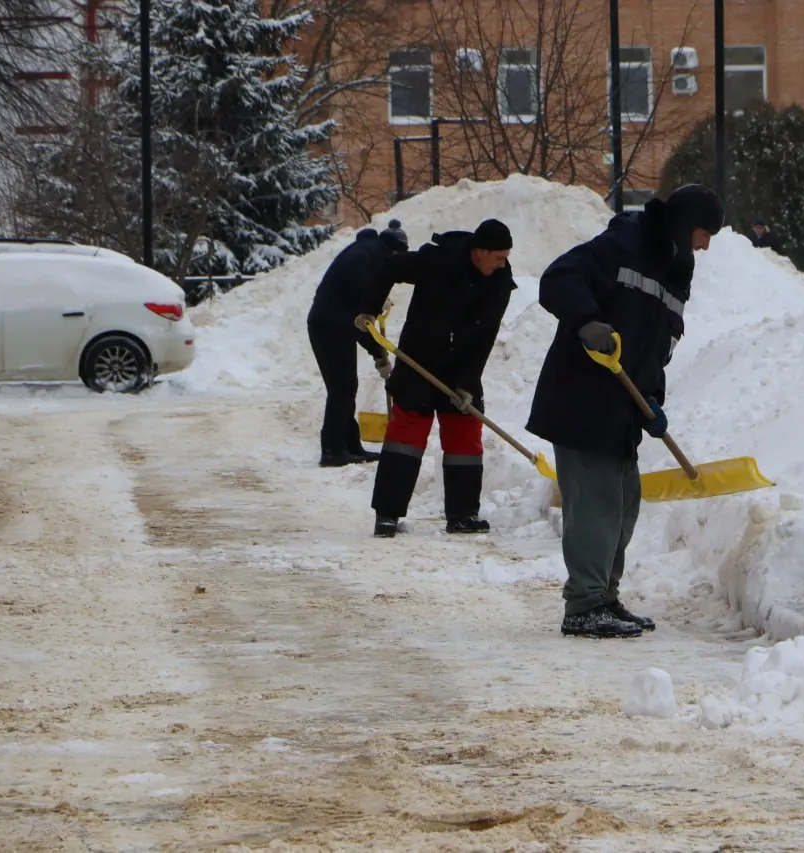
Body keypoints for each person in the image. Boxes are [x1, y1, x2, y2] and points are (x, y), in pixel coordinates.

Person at [526, 184, 724, 639]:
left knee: (623, 503)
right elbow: (558, 279)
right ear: (682, 222)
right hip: (582, 394)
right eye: (702, 232)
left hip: (623, 404)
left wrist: (653, 398)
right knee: (595, 503)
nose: (706, 244)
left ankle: (604, 596)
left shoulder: (677, 270)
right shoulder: (626, 242)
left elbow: (660, 342)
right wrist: (586, 320)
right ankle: (583, 605)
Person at [357, 219, 517, 538]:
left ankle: (463, 515)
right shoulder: (438, 261)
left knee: (465, 436)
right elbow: (391, 268)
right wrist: (369, 309)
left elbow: (486, 335)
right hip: (418, 359)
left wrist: (468, 382)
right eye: (498, 257)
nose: (503, 264)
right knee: (406, 437)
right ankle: (387, 515)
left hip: (461, 365)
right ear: (480, 252)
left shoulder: (500, 282)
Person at [307, 219, 408, 468]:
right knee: (341, 388)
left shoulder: (370, 253)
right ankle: (332, 450)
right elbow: (356, 277)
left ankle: (350, 446)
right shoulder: (366, 252)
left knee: (346, 387)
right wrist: (373, 294)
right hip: (329, 326)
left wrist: (378, 355)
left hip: (335, 325)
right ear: (393, 251)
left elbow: (361, 324)